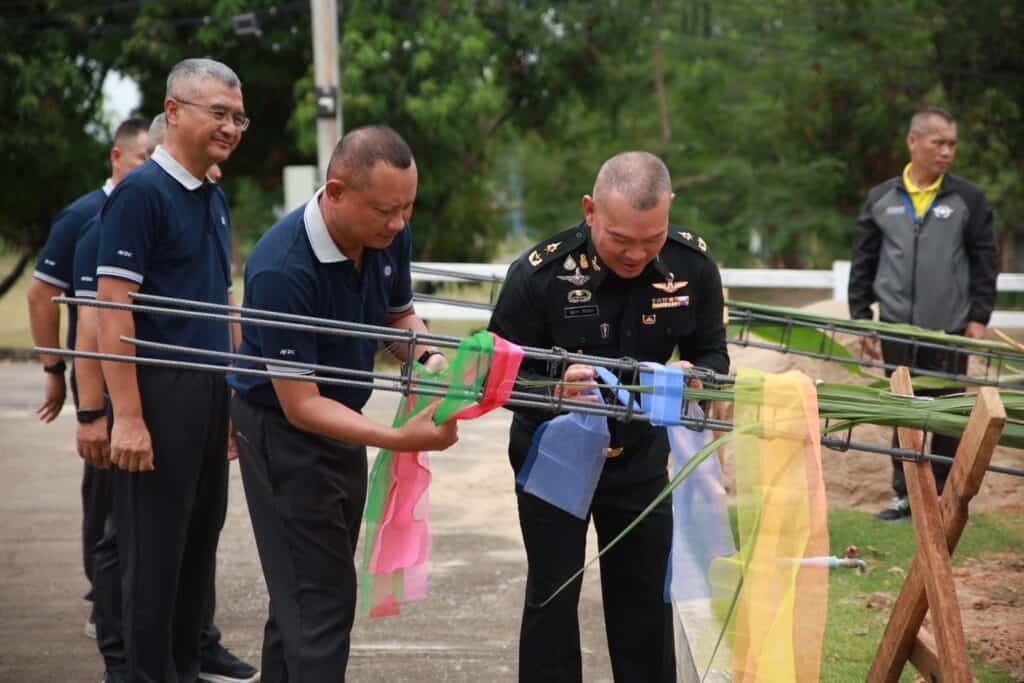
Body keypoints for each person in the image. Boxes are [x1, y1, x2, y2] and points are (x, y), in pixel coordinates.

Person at [228, 125, 459, 682]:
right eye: (385, 210)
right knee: (321, 602)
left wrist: (428, 359)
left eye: (407, 207)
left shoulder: (385, 236)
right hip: (283, 432)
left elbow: (397, 316)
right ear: (335, 192)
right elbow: (301, 405)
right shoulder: (282, 267)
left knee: (305, 595)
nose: (399, 223)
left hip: (344, 426)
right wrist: (401, 439)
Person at [487, 151, 729, 683]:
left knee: (644, 602)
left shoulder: (692, 267)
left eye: (653, 238)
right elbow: (498, 376)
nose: (637, 254)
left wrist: (696, 377)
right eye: (621, 239)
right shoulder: (540, 275)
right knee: (552, 596)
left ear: (670, 213)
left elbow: (714, 355)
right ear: (590, 210)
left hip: (641, 461)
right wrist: (554, 387)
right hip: (554, 459)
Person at [75, 113, 256, 683]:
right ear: (176, 111)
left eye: (239, 116)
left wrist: (233, 392)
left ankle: (185, 666)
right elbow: (109, 310)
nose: (232, 125)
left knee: (197, 546)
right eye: (219, 112)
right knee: (151, 557)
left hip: (209, 389)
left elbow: (223, 306)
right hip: (159, 390)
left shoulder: (213, 197)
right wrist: (122, 416)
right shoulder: (141, 193)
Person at [26, 117, 149, 639]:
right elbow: (41, 295)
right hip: (98, 374)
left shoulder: (156, 209)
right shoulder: (85, 217)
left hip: (145, 376)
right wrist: (55, 371)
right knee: (103, 494)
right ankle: (103, 601)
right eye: (143, 156)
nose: (150, 166)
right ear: (116, 157)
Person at [848, 106, 998, 521]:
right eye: (939, 143)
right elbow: (863, 263)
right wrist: (861, 317)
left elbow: (986, 262)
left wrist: (979, 317)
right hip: (895, 327)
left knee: (947, 415)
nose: (947, 152)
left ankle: (944, 500)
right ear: (914, 142)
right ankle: (907, 497)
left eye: (952, 144)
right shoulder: (881, 200)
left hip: (949, 330)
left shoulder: (968, 199)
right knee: (904, 413)